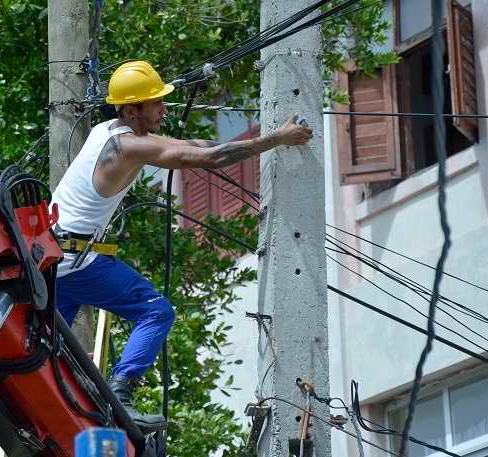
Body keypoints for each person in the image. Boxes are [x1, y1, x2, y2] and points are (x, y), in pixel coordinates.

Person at [51, 60, 312, 432]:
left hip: (52, 256)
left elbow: (188, 146)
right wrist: (276, 139)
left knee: (48, 347)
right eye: (155, 102)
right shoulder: (126, 147)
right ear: (130, 110)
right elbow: (206, 157)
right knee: (156, 312)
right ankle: (120, 392)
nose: (163, 108)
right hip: (75, 260)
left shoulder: (106, 132)